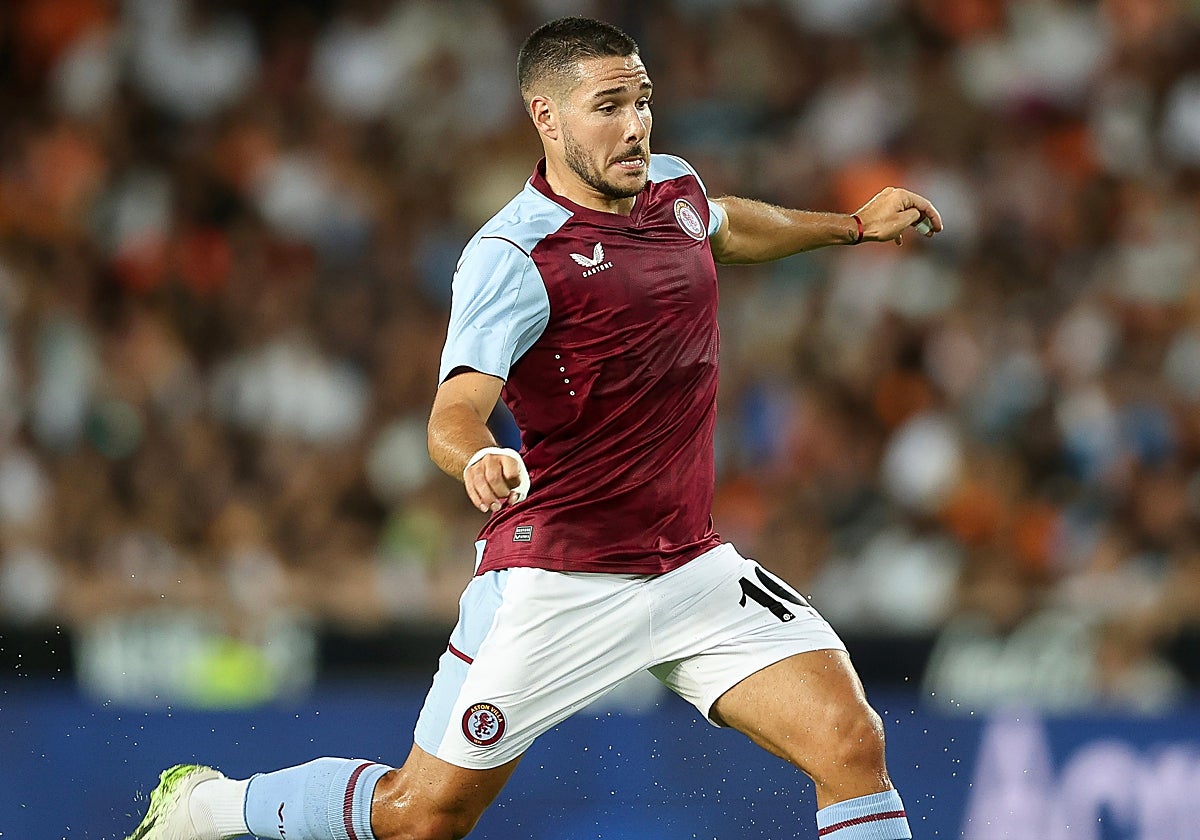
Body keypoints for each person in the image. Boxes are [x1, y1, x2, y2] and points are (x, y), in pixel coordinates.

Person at [124, 16, 941, 840]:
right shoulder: (513, 255)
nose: (635, 126)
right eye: (608, 106)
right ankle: (209, 807)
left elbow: (721, 225)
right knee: (421, 817)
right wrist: (477, 456)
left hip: (688, 565)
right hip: (559, 576)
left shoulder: (673, 190)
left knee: (850, 741)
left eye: (644, 101)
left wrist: (851, 226)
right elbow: (453, 411)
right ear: (546, 117)